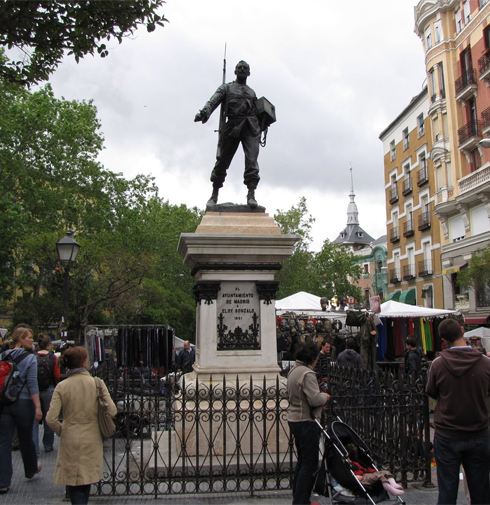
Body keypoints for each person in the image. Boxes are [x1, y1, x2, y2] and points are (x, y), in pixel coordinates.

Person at [426, 318, 490, 505]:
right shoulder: (485, 363)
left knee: (447, 491)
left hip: (448, 433)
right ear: (462, 330)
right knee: (481, 491)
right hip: (478, 431)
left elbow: (432, 392)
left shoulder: (438, 364)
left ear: (443, 340)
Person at [46, 346, 116, 505]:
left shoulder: (62, 386)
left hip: (70, 435)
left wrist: (62, 430)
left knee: (74, 481)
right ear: (84, 362)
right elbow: (112, 410)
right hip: (91, 436)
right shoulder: (97, 383)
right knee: (86, 480)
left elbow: (50, 419)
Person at [195, 60, 263, 208]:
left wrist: (264, 122)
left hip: (251, 128)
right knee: (222, 162)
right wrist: (205, 112)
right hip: (232, 126)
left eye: (245, 68)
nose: (243, 70)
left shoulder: (252, 92)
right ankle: (214, 194)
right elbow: (213, 101)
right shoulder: (226, 88)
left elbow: (259, 111)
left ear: (249, 73)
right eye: (240, 68)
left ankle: (251, 194)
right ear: (235, 71)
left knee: (252, 162)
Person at [0, 325, 42, 495]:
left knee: (4, 441)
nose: (32, 340)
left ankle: (3, 481)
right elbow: (32, 383)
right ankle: (31, 469)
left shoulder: (2, 355)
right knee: (26, 438)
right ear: (20, 339)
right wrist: (38, 406)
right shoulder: (31, 358)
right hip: (24, 403)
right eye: (29, 337)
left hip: (5, 403)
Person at [287, 342, 330, 505]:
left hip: (294, 418)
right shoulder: (307, 374)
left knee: (302, 461)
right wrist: (325, 397)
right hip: (306, 420)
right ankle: (302, 501)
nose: (317, 360)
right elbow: (314, 399)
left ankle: (298, 498)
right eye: (316, 358)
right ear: (312, 358)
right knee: (309, 464)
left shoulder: (293, 371)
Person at [32, 334, 60, 454]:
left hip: (34, 390)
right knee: (49, 418)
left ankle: (34, 448)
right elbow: (57, 375)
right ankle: (48, 445)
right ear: (49, 345)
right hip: (49, 389)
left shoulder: (33, 357)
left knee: (34, 420)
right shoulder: (53, 358)